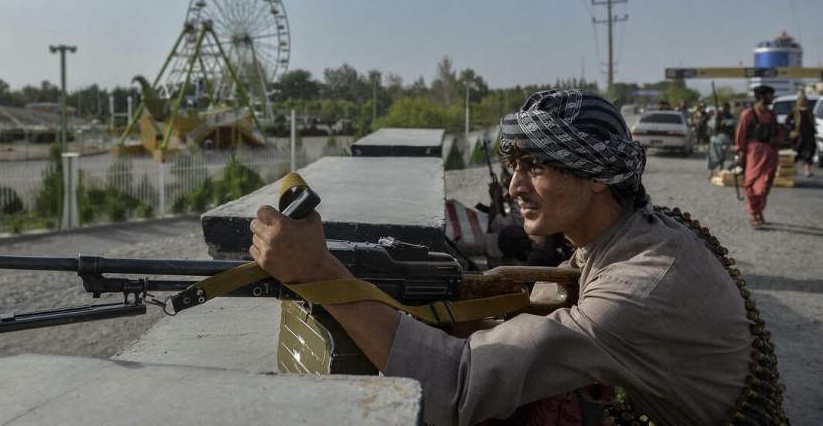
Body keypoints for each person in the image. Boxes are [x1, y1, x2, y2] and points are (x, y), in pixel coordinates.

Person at [249, 89, 754, 425]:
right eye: (514, 165)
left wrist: (320, 273)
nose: (515, 186)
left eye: (535, 166)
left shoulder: (639, 286)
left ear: (596, 175)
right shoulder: (639, 235)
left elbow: (461, 385)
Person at [735, 86, 783, 227]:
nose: (772, 98)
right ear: (762, 96)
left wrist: (778, 139)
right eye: (770, 95)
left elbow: (778, 132)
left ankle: (758, 210)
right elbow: (741, 134)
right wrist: (741, 153)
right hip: (754, 153)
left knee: (765, 184)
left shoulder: (771, 114)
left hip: (770, 153)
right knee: (751, 184)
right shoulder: (748, 114)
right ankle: (754, 214)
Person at [785, 94, 817, 177]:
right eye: (801, 100)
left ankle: (807, 171)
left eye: (804, 100)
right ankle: (791, 170)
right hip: (798, 136)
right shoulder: (795, 111)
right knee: (796, 153)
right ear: (798, 101)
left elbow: (812, 121)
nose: (803, 102)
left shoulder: (809, 110)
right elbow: (787, 121)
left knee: (809, 154)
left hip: (809, 136)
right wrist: (792, 129)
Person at [707, 102, 737, 178]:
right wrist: (718, 120)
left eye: (726, 108)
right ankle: (711, 172)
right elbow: (713, 126)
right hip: (716, 137)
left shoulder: (731, 117)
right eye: (724, 108)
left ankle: (720, 170)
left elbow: (733, 127)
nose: (725, 109)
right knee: (713, 155)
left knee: (722, 156)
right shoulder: (717, 116)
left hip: (726, 138)